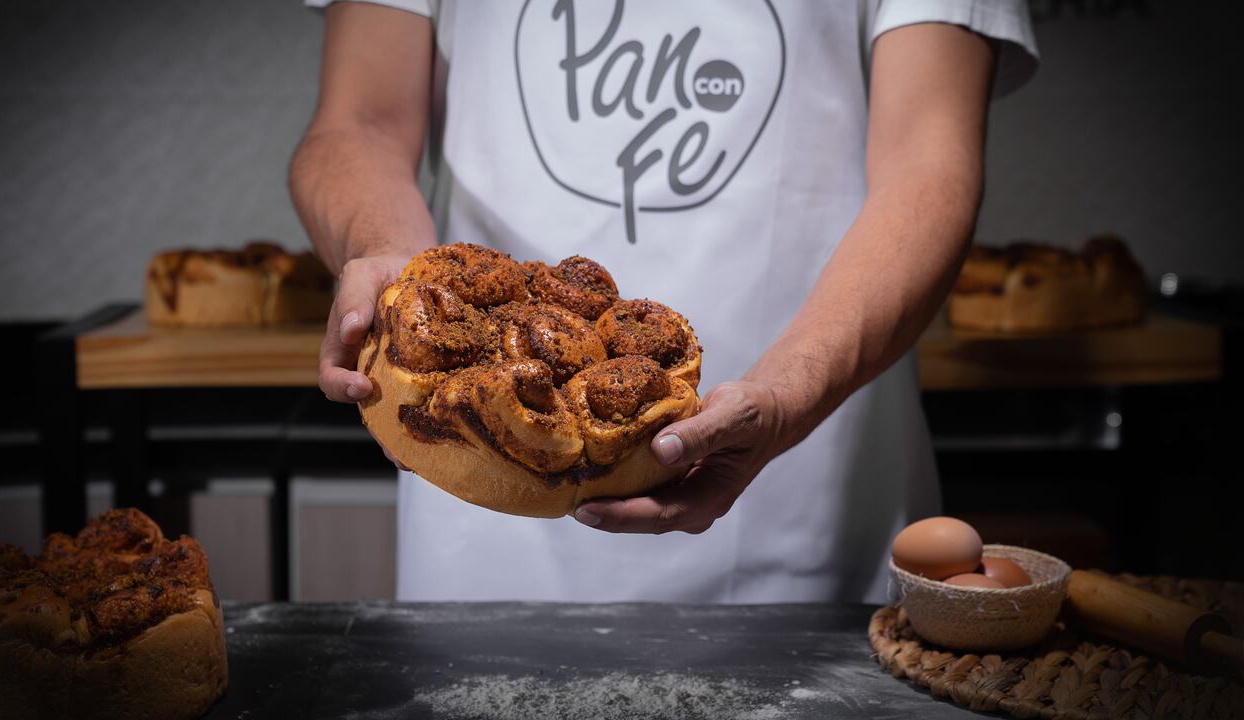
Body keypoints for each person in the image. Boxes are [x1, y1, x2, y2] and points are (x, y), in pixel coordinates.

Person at [290, 0, 1037, 603]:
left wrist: (789, 392)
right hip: (480, 504)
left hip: (805, 509)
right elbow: (359, 122)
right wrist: (391, 260)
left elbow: (928, 163)